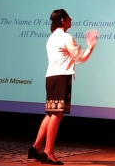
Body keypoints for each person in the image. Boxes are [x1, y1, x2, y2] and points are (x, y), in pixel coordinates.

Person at [27, 9, 97, 165]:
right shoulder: (65, 36)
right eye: (69, 17)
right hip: (61, 77)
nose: (71, 19)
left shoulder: (52, 37)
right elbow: (81, 58)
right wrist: (91, 45)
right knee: (57, 114)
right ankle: (48, 151)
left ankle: (36, 147)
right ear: (63, 20)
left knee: (51, 113)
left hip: (51, 77)